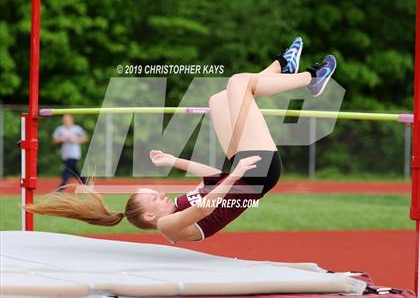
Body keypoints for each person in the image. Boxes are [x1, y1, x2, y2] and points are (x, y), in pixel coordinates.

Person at [26, 37, 337, 242]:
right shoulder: (168, 226)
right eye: (155, 198)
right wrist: (237, 176)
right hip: (256, 174)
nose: (162, 194)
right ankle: (311, 78)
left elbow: (212, 178)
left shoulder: (175, 206)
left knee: (219, 99)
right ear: (150, 215)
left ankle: (283, 67)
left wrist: (174, 161)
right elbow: (205, 208)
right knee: (239, 83)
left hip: (243, 171)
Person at [52, 114, 89, 191]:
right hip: (65, 154)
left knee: (68, 169)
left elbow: (85, 138)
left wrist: (76, 140)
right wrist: (62, 139)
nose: (66, 121)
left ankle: (61, 187)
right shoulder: (60, 129)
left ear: (72, 120)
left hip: (74, 154)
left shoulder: (77, 129)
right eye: (64, 120)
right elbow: (55, 140)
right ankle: (85, 182)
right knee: (73, 170)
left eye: (67, 120)